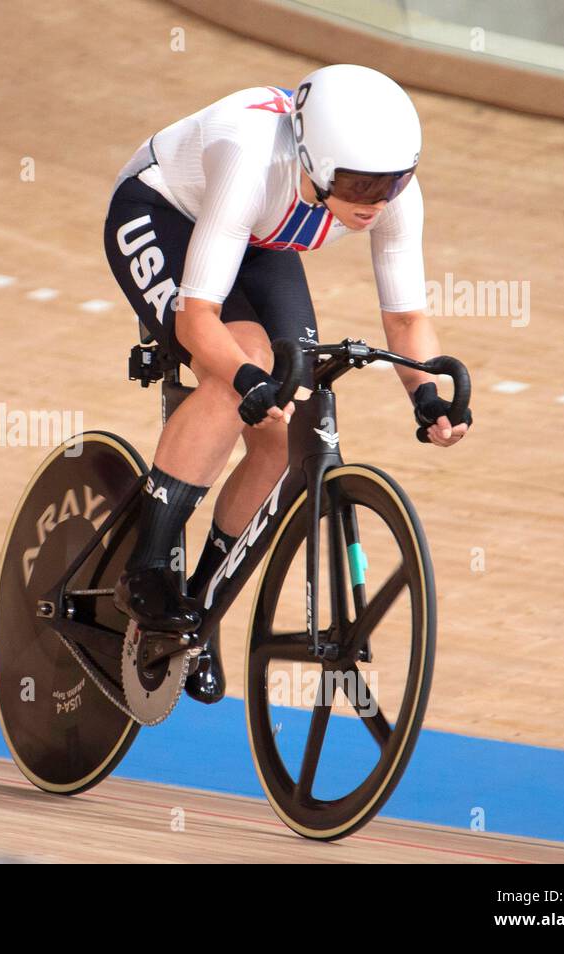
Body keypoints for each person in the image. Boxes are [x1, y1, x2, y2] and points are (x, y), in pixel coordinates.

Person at [103, 64, 470, 703]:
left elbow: (407, 316)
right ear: (313, 158)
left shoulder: (386, 193)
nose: (375, 200)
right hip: (162, 209)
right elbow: (198, 319)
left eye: (393, 182)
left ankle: (199, 610)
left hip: (262, 237)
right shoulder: (250, 154)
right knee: (238, 366)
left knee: (285, 417)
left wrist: (427, 394)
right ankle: (147, 568)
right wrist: (243, 375)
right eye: (358, 183)